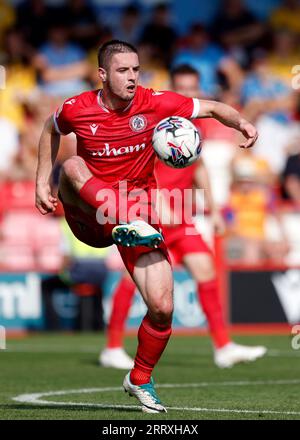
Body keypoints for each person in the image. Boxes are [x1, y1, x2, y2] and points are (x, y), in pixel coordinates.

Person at [35, 40, 258, 414]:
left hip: (138, 216)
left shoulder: (156, 103)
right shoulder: (77, 108)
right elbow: (49, 128)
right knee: (72, 167)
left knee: (162, 306)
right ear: (103, 75)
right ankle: (126, 224)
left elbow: (213, 108)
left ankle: (139, 378)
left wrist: (243, 122)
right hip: (90, 216)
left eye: (136, 70)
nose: (132, 78)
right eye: (123, 71)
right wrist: (41, 180)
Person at [100, 65, 267, 371]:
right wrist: (157, 200)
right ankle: (111, 347)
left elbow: (198, 168)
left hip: (182, 219)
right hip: (151, 216)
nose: (188, 94)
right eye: (183, 88)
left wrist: (214, 209)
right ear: (172, 89)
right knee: (131, 281)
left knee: (206, 271)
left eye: (193, 88)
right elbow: (136, 168)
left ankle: (223, 347)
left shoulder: (192, 126)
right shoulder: (152, 124)